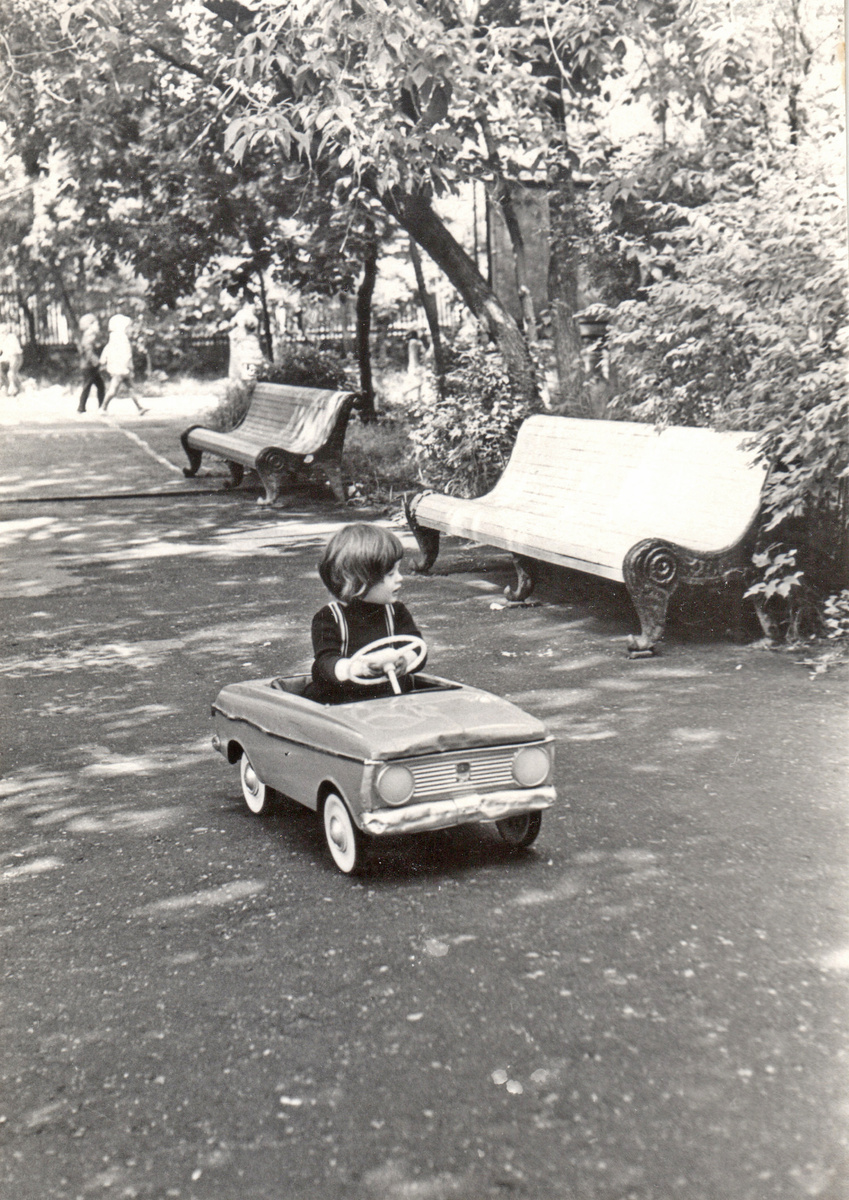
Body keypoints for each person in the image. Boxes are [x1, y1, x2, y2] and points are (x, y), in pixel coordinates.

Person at [308, 523, 427, 703]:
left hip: (391, 698)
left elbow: (417, 646)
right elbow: (326, 663)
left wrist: (404, 659)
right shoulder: (329, 617)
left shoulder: (396, 611)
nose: (400, 578)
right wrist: (359, 667)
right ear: (360, 580)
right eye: (391, 573)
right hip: (343, 702)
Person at [100, 314, 146, 414]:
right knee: (113, 390)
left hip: (119, 368)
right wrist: (129, 366)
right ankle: (103, 408)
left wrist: (104, 359)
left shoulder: (114, 338)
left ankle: (139, 407)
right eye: (127, 327)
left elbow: (108, 349)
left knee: (130, 388)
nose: (128, 329)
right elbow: (126, 354)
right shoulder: (122, 339)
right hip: (121, 369)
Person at [76, 313, 105, 412]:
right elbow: (89, 352)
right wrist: (97, 363)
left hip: (88, 366)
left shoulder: (88, 336)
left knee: (94, 386)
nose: (98, 327)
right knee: (90, 386)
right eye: (96, 324)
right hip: (90, 366)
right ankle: (98, 407)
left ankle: (84, 407)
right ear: (90, 325)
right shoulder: (90, 336)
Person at [0, 324, 24, 396]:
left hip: (16, 357)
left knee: (11, 373)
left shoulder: (12, 338)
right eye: (1, 332)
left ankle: (15, 389)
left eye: (3, 332)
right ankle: (8, 386)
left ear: (6, 332)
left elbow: (14, 352)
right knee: (1, 372)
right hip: (8, 358)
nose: (2, 334)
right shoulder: (1, 339)